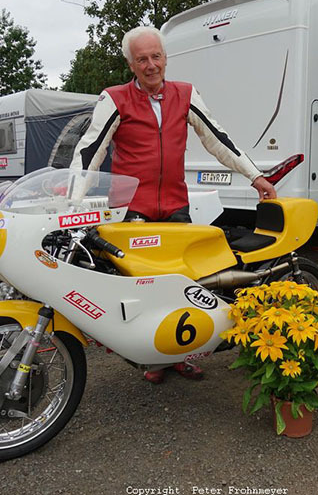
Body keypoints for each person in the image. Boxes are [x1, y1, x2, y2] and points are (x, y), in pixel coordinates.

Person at [71, 26, 276, 384]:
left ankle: (182, 353)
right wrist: (71, 200)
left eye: (156, 56)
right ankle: (151, 358)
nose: (151, 65)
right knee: (143, 288)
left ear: (165, 58)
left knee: (185, 285)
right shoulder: (114, 98)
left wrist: (255, 176)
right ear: (130, 65)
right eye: (142, 59)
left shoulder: (186, 94)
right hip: (132, 211)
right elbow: (90, 151)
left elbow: (218, 139)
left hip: (176, 210)